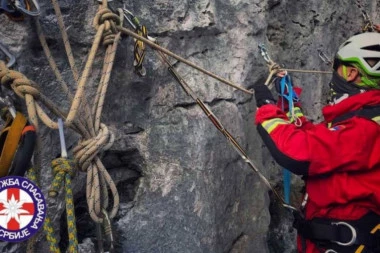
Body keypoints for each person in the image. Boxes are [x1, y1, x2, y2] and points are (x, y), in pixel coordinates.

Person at [253, 32, 380, 253]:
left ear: (351, 73)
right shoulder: (363, 120)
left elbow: (300, 154)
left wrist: (267, 111)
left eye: (338, 67)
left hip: (345, 242)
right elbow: (322, 142)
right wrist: (288, 104)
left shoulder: (365, 128)